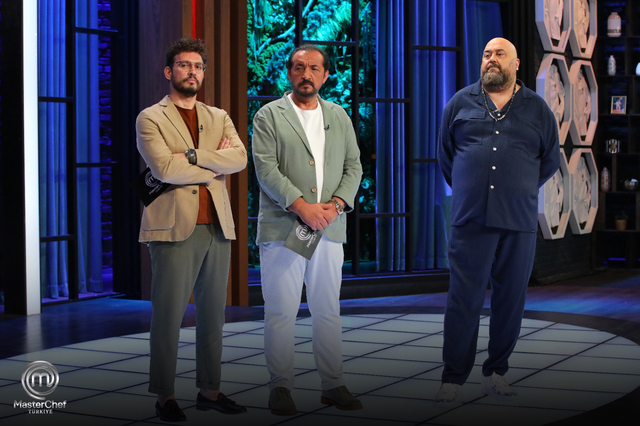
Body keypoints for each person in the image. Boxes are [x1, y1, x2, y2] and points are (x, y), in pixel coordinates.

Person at [435, 38, 559, 407]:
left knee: (510, 299)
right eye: (487, 54)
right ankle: (453, 378)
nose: (491, 59)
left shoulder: (537, 109)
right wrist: (471, 188)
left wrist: (518, 186)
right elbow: (446, 155)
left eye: (499, 54)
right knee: (463, 299)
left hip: (517, 218)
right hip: (470, 217)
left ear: (516, 64)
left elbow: (549, 160)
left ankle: (496, 373)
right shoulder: (460, 103)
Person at [136, 38, 248, 422]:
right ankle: (164, 395)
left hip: (217, 225)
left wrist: (195, 156)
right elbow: (164, 169)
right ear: (170, 71)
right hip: (172, 228)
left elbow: (239, 158)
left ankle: (209, 391)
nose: (192, 72)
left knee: (213, 315)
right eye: (184, 65)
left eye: (198, 66)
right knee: (168, 316)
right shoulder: (150, 117)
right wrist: (214, 164)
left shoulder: (218, 116)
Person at [252, 44, 363, 415]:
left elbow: (354, 166)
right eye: (299, 67)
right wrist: (302, 207)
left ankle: (333, 384)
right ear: (289, 73)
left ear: (326, 75)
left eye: (314, 68)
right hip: (284, 227)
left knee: (327, 310)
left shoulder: (338, 115)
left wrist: (336, 206)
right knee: (281, 312)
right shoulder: (269, 115)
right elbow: (266, 169)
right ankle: (280, 387)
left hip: (329, 226)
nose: (306, 74)